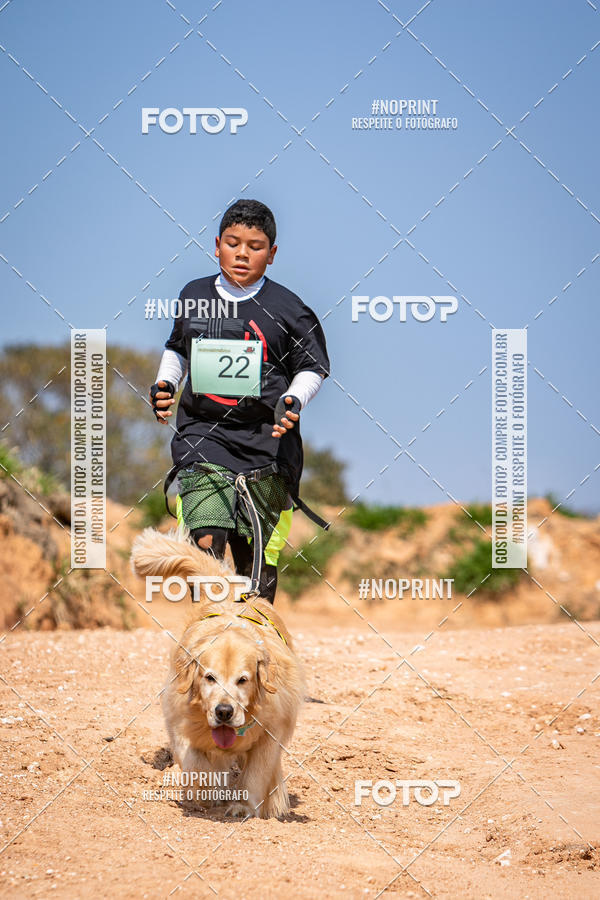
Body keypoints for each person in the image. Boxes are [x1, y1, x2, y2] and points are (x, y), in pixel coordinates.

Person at [149, 199, 330, 603]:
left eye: (255, 246)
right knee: (206, 539)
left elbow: (313, 367)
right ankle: (210, 635)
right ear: (217, 246)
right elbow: (177, 348)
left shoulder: (290, 309)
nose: (242, 254)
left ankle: (255, 636)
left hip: (268, 443)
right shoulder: (193, 295)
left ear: (272, 253)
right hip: (203, 435)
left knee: (255, 560)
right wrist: (166, 383)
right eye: (233, 243)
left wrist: (293, 399)